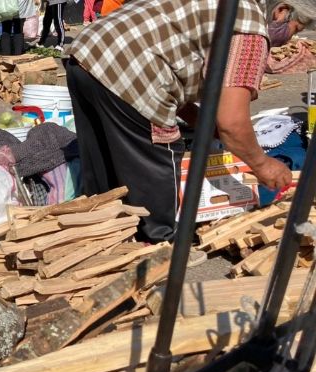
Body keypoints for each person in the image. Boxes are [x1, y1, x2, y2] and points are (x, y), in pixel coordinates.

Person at [64, 0, 293, 244]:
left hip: (87, 52)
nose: (289, 41)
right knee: (159, 156)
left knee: (103, 160)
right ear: (282, 10)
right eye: (296, 29)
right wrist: (263, 165)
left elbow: (172, 59)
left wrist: (202, 123)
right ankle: (159, 245)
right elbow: (232, 123)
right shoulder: (249, 24)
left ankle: (101, 234)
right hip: (129, 67)